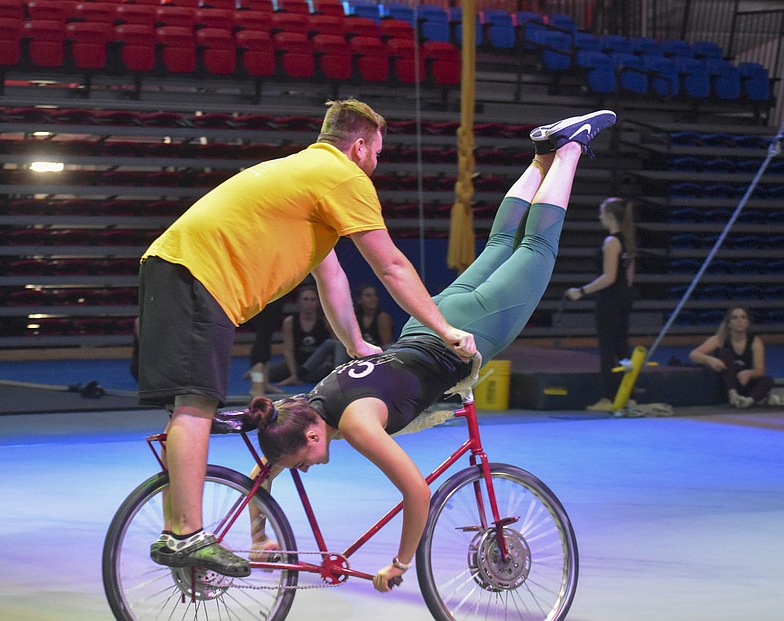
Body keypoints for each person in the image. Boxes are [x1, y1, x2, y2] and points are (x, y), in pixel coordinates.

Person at [242, 110, 616, 592]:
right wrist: (258, 536)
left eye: (303, 462)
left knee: (537, 248)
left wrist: (398, 564)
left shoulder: (354, 426)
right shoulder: (303, 409)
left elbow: (418, 493)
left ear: (314, 439)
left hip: (462, 332)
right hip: (427, 321)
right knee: (504, 242)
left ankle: (567, 150)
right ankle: (542, 155)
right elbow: (262, 471)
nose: (308, 468)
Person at [137, 99, 476, 578]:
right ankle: (186, 535)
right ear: (359, 147)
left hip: (171, 266)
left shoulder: (304, 177)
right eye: (376, 153)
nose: (375, 165)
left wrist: (357, 344)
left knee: (184, 408)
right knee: (196, 405)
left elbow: (331, 277)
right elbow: (392, 265)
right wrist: (444, 330)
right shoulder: (343, 176)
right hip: (197, 274)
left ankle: (178, 528)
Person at [564, 196, 636, 411]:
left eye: (602, 213)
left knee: (607, 349)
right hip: (624, 297)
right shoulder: (628, 239)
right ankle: (626, 397)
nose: (599, 217)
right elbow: (628, 276)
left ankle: (607, 398)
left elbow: (609, 277)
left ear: (611, 216)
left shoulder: (612, 241)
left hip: (610, 299)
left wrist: (581, 291)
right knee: (622, 348)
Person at [288, 283, 395, 383]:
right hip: (352, 356)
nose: (373, 299)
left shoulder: (382, 317)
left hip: (373, 355)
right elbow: (341, 339)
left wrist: (365, 347)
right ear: (359, 300)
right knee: (335, 343)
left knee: (390, 347)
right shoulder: (354, 316)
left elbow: (385, 345)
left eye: (374, 296)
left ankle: (337, 379)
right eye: (368, 296)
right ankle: (305, 375)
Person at [689, 306, 774, 408]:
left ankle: (747, 401)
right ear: (729, 323)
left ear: (747, 323)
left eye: (743, 317)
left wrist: (749, 373)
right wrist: (710, 360)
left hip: (742, 382)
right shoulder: (719, 339)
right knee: (725, 352)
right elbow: (693, 355)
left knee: (767, 380)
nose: (739, 320)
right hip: (724, 384)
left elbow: (759, 370)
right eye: (735, 318)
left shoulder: (755, 341)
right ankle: (732, 394)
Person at [269, 285, 334, 386]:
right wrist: (294, 373)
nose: (309, 303)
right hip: (296, 363)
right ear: (299, 301)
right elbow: (288, 350)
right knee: (266, 375)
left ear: (318, 302)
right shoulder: (290, 322)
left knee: (323, 374)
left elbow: (335, 345)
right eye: (305, 300)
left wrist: (327, 362)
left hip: (318, 365)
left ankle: (303, 376)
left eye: (313, 300)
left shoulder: (326, 321)